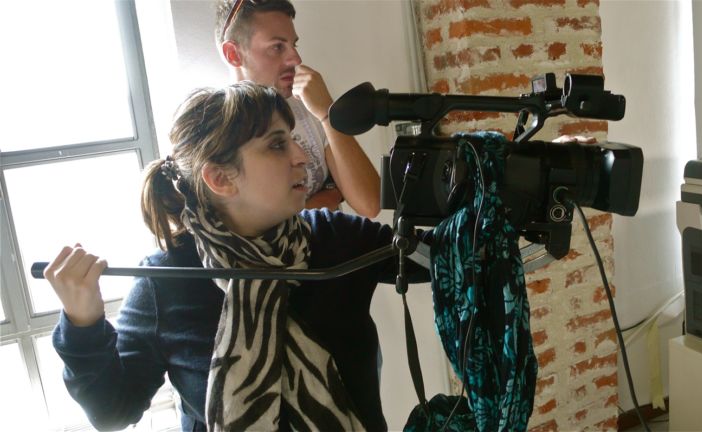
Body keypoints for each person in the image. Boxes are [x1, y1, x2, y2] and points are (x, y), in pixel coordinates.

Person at [45, 82, 428, 431]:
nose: (301, 156)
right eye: (277, 144)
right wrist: (83, 324)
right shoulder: (165, 281)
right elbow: (114, 410)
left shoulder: (333, 236)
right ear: (220, 179)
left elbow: (440, 260)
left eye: (292, 138)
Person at [214, 0, 380, 217]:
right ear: (233, 55)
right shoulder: (219, 130)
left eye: (294, 45)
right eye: (277, 47)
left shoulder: (309, 104)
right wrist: (324, 198)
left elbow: (371, 203)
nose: (296, 59)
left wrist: (327, 112)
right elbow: (249, 224)